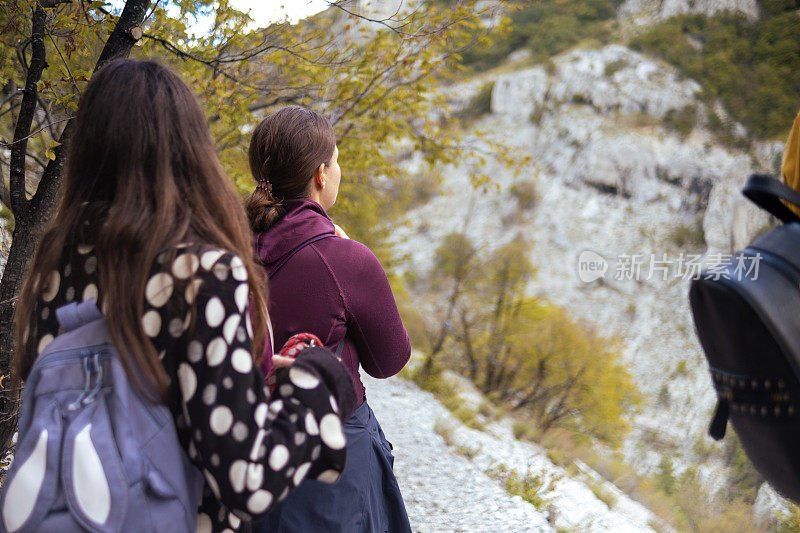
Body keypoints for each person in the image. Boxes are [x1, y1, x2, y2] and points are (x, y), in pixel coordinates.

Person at [11, 60, 356, 533]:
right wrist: (316, 381)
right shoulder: (204, 272)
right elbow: (245, 480)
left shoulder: (53, 263)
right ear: (190, 151)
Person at [246, 106, 412, 532]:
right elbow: (389, 360)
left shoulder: (226, 248)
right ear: (321, 174)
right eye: (336, 160)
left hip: (246, 460)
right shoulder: (344, 259)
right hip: (332, 467)